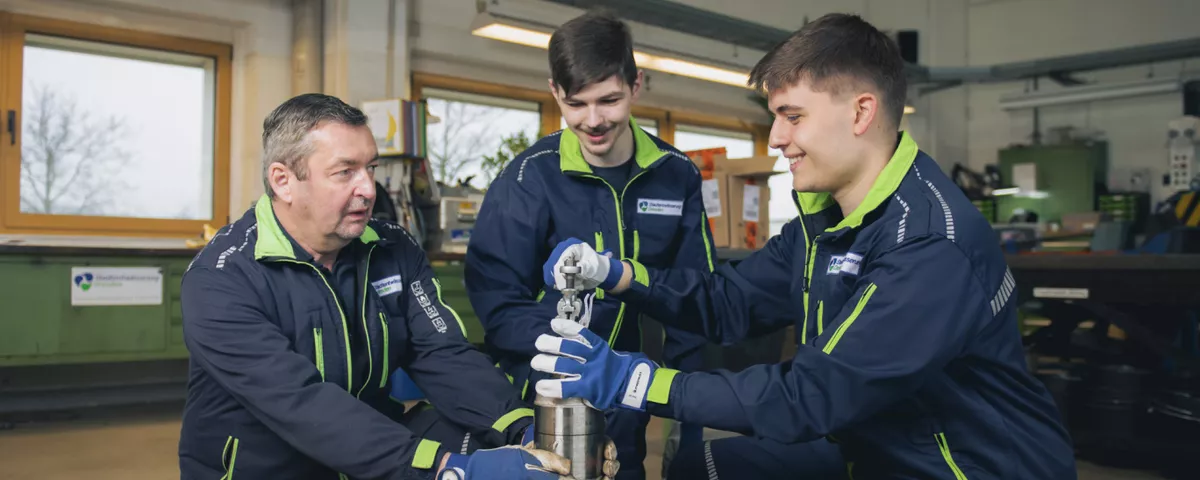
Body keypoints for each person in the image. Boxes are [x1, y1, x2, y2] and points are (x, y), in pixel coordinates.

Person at [530, 13, 1078, 480]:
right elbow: (729, 303)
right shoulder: (826, 223)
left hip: (960, 466)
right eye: (774, 117)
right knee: (702, 465)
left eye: (793, 117)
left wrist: (636, 381)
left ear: (861, 112)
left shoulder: (928, 244)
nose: (775, 138)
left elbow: (809, 397)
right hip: (872, 443)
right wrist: (618, 275)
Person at [178, 93, 617, 480]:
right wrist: (447, 469)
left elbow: (443, 355)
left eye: (370, 168)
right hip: (270, 466)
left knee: (484, 437)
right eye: (345, 172)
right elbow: (299, 402)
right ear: (283, 181)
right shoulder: (222, 278)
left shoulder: (393, 248)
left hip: (369, 453)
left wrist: (526, 431)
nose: (368, 189)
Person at [463, 10, 733, 479]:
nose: (593, 121)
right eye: (576, 104)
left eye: (609, 100)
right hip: (543, 396)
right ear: (555, 92)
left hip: (630, 393)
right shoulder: (528, 178)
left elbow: (695, 298)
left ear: (636, 85)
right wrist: (570, 354)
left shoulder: (675, 175)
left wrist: (689, 414)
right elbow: (498, 301)